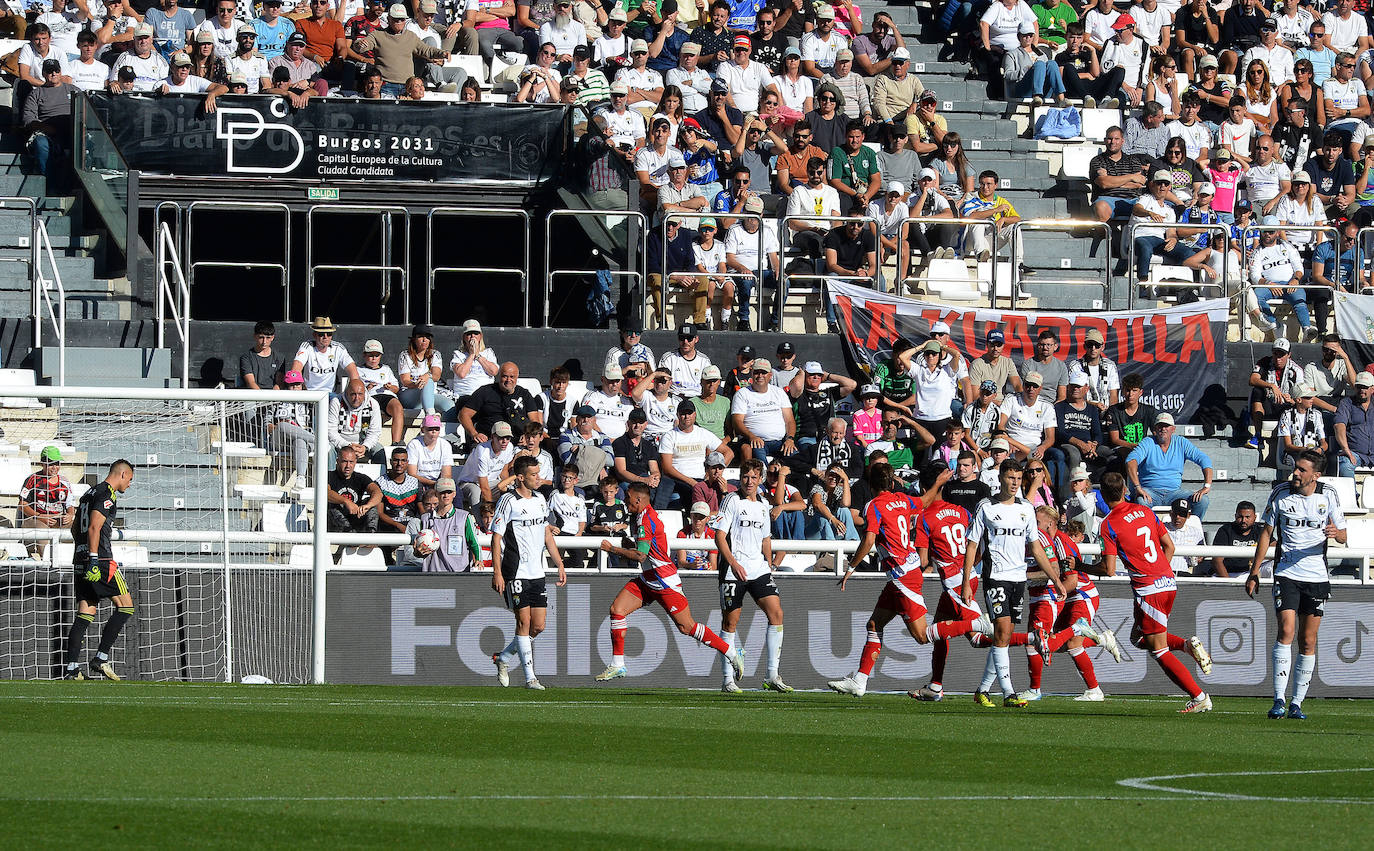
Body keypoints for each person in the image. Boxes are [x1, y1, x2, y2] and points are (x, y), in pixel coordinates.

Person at [829, 464, 987, 697]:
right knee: (874, 624)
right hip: (904, 573)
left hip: (902, 575)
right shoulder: (903, 499)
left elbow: (869, 539)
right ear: (892, 484)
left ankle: (977, 624)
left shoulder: (874, 505)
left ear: (871, 486)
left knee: (922, 636)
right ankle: (860, 681)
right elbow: (924, 501)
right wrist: (937, 484)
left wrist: (851, 568)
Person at [596, 481, 743, 681]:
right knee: (617, 610)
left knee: (687, 627)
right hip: (649, 580)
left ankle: (732, 652)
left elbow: (640, 556)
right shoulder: (643, 516)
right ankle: (618, 664)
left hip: (664, 581)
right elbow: (648, 549)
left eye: (628, 497)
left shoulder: (646, 520)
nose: (625, 501)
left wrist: (612, 549)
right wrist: (630, 545)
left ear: (638, 500)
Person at [1097, 471, 1213, 713]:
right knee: (1139, 639)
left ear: (1104, 494)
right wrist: (1161, 574)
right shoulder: (1146, 512)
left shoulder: (1108, 524)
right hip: (1167, 582)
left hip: (1148, 589)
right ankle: (1185, 646)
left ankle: (1199, 696)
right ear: (1124, 490)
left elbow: (1108, 569)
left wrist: (1081, 567)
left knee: (1158, 649)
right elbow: (1169, 546)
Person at [1248, 450, 1346, 719]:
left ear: (1316, 475)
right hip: (1286, 572)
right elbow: (1266, 533)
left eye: (1302, 470)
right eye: (1295, 468)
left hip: (1316, 576)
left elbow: (1343, 533)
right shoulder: (1281, 493)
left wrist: (1337, 533)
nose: (1296, 473)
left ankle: (1296, 703)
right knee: (1286, 631)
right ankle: (1278, 699)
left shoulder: (1329, 495)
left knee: (1308, 640)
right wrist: (1254, 572)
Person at [958, 457, 1060, 707]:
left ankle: (982, 690)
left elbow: (1035, 547)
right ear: (1001, 478)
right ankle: (1009, 694)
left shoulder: (1026, 509)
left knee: (1004, 637)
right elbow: (972, 545)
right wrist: (966, 581)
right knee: (1002, 632)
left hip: (1018, 579)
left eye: (1018, 478)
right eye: (1010, 478)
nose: (1014, 483)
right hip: (995, 577)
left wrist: (1056, 578)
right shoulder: (986, 507)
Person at [709, 458, 790, 693]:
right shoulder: (731, 500)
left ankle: (772, 675)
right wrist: (732, 562)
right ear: (740, 478)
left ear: (760, 479)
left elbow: (766, 538)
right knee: (730, 622)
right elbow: (719, 536)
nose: (749, 481)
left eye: (754, 477)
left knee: (776, 613)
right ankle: (727, 680)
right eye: (745, 477)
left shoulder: (764, 505)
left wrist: (769, 563)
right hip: (734, 569)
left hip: (758, 569)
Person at [487, 456, 566, 691]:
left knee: (538, 626)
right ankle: (531, 678)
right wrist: (497, 572)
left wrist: (559, 563)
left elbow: (546, 534)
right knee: (523, 622)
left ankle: (503, 658)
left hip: (537, 571)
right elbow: (496, 537)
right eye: (533, 475)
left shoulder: (541, 500)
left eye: (538, 473)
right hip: (515, 570)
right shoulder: (508, 501)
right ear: (520, 477)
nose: (538, 478)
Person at [60, 460, 136, 681]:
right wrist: (94, 558)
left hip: (80, 558)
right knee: (126, 607)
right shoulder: (106, 493)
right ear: (122, 474)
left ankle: (72, 669)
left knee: (85, 613)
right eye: (129, 479)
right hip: (100, 560)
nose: (129, 484)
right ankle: (101, 658)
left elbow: (75, 527)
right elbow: (94, 526)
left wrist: (83, 554)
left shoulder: (88, 494)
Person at [1125, 412, 1214, 516]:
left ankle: (1192, 529)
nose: (1163, 429)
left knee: (1202, 501)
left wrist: (1207, 486)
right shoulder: (1148, 442)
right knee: (1141, 501)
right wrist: (1137, 487)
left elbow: (1204, 459)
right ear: (1155, 428)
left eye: (1166, 426)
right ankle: (1150, 530)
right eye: (1160, 426)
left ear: (1173, 429)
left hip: (1175, 493)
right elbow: (1131, 461)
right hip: (1150, 492)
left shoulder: (1181, 442)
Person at [731, 356, 797, 465]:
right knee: (762, 467)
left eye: (764, 373)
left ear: (770, 375)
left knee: (797, 459)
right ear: (752, 374)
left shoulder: (779, 392)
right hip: (756, 442)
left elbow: (790, 420)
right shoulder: (742, 394)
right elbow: (737, 422)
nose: (760, 376)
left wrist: (790, 439)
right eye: (757, 372)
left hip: (780, 442)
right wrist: (752, 436)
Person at [459, 361, 542, 445]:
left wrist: (528, 436)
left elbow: (534, 421)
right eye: (504, 376)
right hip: (488, 441)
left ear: (517, 377)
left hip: (518, 441)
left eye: (512, 377)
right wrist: (474, 434)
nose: (508, 380)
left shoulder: (524, 394)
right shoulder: (485, 391)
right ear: (499, 376)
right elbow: (463, 415)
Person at [410, 478, 481, 572]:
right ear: (436, 494)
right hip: (432, 574)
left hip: (459, 574)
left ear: (454, 494)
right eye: (442, 492)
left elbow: (474, 543)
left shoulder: (464, 517)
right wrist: (418, 553)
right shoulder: (425, 519)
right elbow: (418, 551)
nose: (446, 495)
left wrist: (479, 560)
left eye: (449, 492)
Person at [326, 447, 382, 560]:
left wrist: (368, 505)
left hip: (356, 520)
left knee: (371, 504)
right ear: (337, 461)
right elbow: (325, 492)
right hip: (333, 524)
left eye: (351, 462)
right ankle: (351, 537)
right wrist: (345, 501)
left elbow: (378, 493)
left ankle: (370, 536)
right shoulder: (329, 476)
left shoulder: (361, 478)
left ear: (355, 462)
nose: (348, 466)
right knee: (333, 507)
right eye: (344, 461)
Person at [20, 445, 75, 559]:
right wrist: (41, 517)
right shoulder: (32, 480)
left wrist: (70, 515)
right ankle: (46, 563)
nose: (54, 467)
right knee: (43, 531)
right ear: (42, 463)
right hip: (36, 519)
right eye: (51, 464)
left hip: (58, 520)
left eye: (57, 463)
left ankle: (69, 561)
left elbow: (70, 504)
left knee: (77, 526)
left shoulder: (64, 482)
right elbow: (22, 505)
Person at [355, 339, 405, 446]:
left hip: (387, 395)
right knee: (368, 406)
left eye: (376, 355)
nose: (373, 358)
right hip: (370, 396)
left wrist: (390, 387)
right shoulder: (358, 370)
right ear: (364, 355)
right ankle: (365, 439)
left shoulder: (386, 369)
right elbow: (352, 390)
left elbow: (396, 389)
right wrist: (366, 388)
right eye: (370, 355)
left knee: (398, 407)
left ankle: (396, 442)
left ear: (380, 356)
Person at [270, 371, 314, 490]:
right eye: (291, 385)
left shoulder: (310, 402)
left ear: (302, 386)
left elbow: (313, 426)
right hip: (280, 439)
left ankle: (300, 478)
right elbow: (267, 423)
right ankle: (319, 441)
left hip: (302, 440)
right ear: (286, 386)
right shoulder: (276, 400)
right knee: (283, 425)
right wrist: (273, 425)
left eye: (297, 385)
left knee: (300, 440)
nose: (295, 388)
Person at [377, 446, 421, 566]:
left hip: (411, 526)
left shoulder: (415, 482)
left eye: (403, 460)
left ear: (407, 462)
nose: (399, 464)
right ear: (390, 462)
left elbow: (422, 510)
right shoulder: (380, 482)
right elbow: (380, 513)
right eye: (396, 460)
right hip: (390, 526)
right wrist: (398, 525)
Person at [291, 316, 359, 393]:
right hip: (309, 393)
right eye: (321, 334)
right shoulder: (307, 346)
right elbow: (296, 370)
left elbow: (353, 371)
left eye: (329, 334)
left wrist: (354, 390)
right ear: (314, 335)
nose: (325, 337)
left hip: (329, 394)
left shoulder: (338, 348)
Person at [458, 420, 516, 509]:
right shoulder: (482, 452)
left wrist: (507, 486)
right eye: (501, 437)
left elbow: (504, 471)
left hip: (490, 482)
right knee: (475, 492)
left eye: (508, 438)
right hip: (469, 482)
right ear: (492, 437)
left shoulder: (509, 447)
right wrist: (489, 510)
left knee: (509, 490)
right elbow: (484, 488)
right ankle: (480, 522)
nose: (505, 441)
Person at [328, 379, 385, 466]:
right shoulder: (336, 402)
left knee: (379, 449)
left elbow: (375, 432)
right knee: (328, 448)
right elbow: (331, 431)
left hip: (362, 445)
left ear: (364, 393)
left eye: (360, 394)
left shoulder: (373, 404)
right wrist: (347, 445)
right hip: (340, 444)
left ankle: (380, 479)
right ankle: (330, 478)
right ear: (347, 393)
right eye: (353, 394)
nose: (356, 398)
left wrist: (365, 447)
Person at [1207, 501, 1263, 578]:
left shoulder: (1260, 531)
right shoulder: (1226, 530)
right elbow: (1217, 561)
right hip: (1227, 573)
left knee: (1272, 563)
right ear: (1235, 516)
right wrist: (1229, 583)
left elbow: (1274, 546)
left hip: (1250, 572)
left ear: (1255, 517)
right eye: (1240, 517)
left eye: (1247, 517)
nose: (1244, 520)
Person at [1334, 372, 1374, 475]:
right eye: (1359, 387)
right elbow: (1339, 425)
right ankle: (1352, 492)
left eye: (1365, 387)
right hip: (1355, 454)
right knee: (1345, 465)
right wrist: (1345, 449)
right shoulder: (1346, 403)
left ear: (1372, 389)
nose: (1361, 390)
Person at [406, 414, 454, 489]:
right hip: (418, 482)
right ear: (422, 430)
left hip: (438, 482)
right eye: (430, 429)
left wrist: (441, 485)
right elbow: (411, 474)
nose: (434, 431)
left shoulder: (445, 445)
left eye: (437, 429)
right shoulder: (414, 444)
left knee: (455, 492)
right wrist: (433, 484)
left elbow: (447, 474)